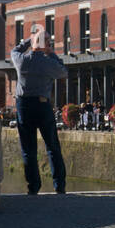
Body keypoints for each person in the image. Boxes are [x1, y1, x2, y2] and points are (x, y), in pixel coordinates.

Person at [10, 28, 69, 195]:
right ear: (46, 45)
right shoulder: (48, 63)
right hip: (42, 105)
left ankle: (33, 187)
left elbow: (14, 50)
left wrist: (29, 40)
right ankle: (59, 185)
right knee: (52, 146)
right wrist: (51, 53)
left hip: (24, 106)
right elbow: (63, 71)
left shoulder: (21, 60)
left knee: (28, 149)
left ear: (33, 44)